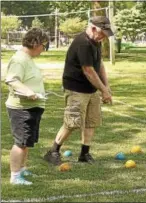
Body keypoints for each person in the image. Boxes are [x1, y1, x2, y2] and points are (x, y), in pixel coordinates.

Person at [44, 16, 113, 165]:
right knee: (72, 122)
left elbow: (99, 64)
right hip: (76, 88)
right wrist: (104, 90)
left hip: (91, 89)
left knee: (91, 121)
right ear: (94, 28)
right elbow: (88, 70)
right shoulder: (83, 43)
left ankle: (84, 154)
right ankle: (53, 151)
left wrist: (106, 86)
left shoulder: (96, 41)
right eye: (103, 32)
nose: (104, 36)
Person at [5, 28, 49, 185]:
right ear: (35, 43)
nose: (44, 49)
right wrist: (29, 92)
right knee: (21, 142)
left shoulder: (27, 58)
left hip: (31, 108)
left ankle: (22, 169)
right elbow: (12, 80)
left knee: (27, 142)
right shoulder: (19, 60)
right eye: (44, 45)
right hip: (22, 109)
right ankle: (15, 176)